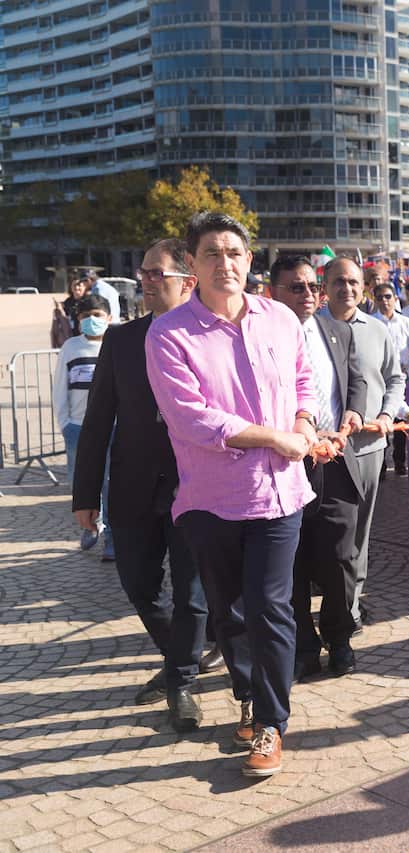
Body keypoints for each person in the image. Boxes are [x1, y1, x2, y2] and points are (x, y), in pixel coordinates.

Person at [146, 212, 319, 777]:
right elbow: (192, 418)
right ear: (191, 266)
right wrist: (277, 437)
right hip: (212, 498)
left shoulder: (280, 319)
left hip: (280, 493)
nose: (226, 264)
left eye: (235, 253)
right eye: (213, 254)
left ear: (250, 260)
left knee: (271, 606)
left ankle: (271, 721)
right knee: (230, 610)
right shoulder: (169, 334)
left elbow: (302, 378)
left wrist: (304, 420)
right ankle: (249, 696)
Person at [71, 238, 208, 730]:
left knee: (193, 593)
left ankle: (182, 683)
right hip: (130, 486)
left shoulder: (208, 335)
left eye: (156, 273)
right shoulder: (122, 339)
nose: (146, 280)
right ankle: (182, 658)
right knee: (138, 585)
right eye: (144, 272)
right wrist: (85, 495)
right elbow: (97, 420)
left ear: (186, 281)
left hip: (193, 486)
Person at [272, 256, 367, 681]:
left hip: (337, 461)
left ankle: (339, 637)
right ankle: (304, 646)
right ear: (273, 291)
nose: (309, 295)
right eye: (296, 287)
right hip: (285, 463)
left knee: (341, 558)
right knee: (291, 561)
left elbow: (357, 380)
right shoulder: (262, 338)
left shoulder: (338, 330)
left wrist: (354, 412)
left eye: (313, 287)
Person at [319, 258, 409, 628]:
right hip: (323, 451)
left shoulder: (377, 331)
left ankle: (349, 605)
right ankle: (329, 598)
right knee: (325, 534)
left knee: (360, 533)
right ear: (324, 285)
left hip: (368, 449)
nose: (346, 289)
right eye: (338, 282)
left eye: (353, 282)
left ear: (362, 287)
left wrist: (386, 416)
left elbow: (395, 379)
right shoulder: (308, 329)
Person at [55, 293, 114, 556]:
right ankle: (92, 524)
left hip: (114, 428)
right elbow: (60, 388)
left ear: (109, 318)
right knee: (84, 481)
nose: (92, 320)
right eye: (85, 316)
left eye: (97, 315)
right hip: (78, 427)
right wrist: (65, 424)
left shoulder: (116, 344)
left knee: (111, 483)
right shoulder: (71, 347)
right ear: (78, 320)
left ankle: (112, 535)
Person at [371, 282, 409, 475]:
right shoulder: (370, 322)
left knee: (400, 419)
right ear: (375, 300)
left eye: (388, 296)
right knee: (379, 421)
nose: (384, 301)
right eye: (380, 297)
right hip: (378, 378)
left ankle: (399, 461)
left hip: (402, 377)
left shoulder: (407, 323)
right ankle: (379, 465)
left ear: (395, 299)